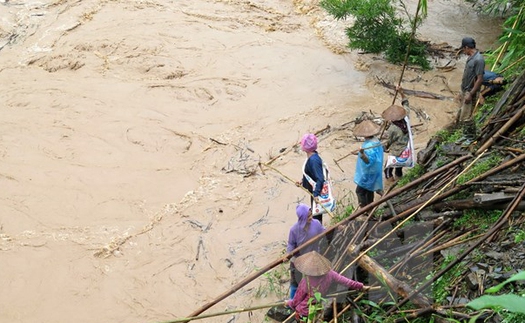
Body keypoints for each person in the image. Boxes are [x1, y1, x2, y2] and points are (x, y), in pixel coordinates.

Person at [285, 251, 370, 321]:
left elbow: (297, 300)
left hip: (304, 312)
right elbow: (347, 282)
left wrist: (289, 303)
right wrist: (361, 286)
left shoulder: (306, 281)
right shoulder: (331, 274)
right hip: (318, 308)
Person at [287, 203, 326, 299]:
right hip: (299, 258)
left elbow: (324, 232)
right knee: (295, 283)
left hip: (313, 257)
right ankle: (292, 302)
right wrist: (289, 255)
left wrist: (337, 228)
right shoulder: (294, 230)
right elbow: (291, 244)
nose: (311, 217)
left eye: (311, 214)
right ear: (302, 217)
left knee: (314, 280)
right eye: (308, 216)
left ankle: (310, 298)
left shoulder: (316, 224)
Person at [382, 86, 411, 182]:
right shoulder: (406, 118)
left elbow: (388, 142)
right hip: (406, 150)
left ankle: (390, 185)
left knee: (387, 170)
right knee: (399, 169)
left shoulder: (392, 129)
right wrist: (401, 92)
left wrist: (383, 148)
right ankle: (400, 182)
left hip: (396, 153)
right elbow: (406, 103)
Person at [352, 120, 384, 208]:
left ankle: (364, 209)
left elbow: (368, 161)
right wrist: (358, 153)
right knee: (369, 190)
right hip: (375, 171)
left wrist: (362, 154)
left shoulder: (369, 146)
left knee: (359, 191)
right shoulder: (376, 141)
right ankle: (370, 207)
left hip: (369, 172)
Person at [457, 37, 485, 127]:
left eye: (463, 49)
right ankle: (458, 127)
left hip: (470, 92)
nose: (463, 52)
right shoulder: (471, 58)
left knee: (465, 117)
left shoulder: (479, 60)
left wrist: (470, 94)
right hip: (465, 90)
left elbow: (480, 79)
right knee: (461, 112)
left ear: (467, 48)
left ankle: (463, 134)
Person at [297, 133, 325, 223]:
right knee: (315, 212)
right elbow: (311, 174)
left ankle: (318, 232)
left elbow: (320, 178)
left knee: (316, 214)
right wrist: (302, 181)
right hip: (313, 190)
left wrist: (316, 194)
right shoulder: (311, 158)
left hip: (316, 192)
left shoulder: (313, 160)